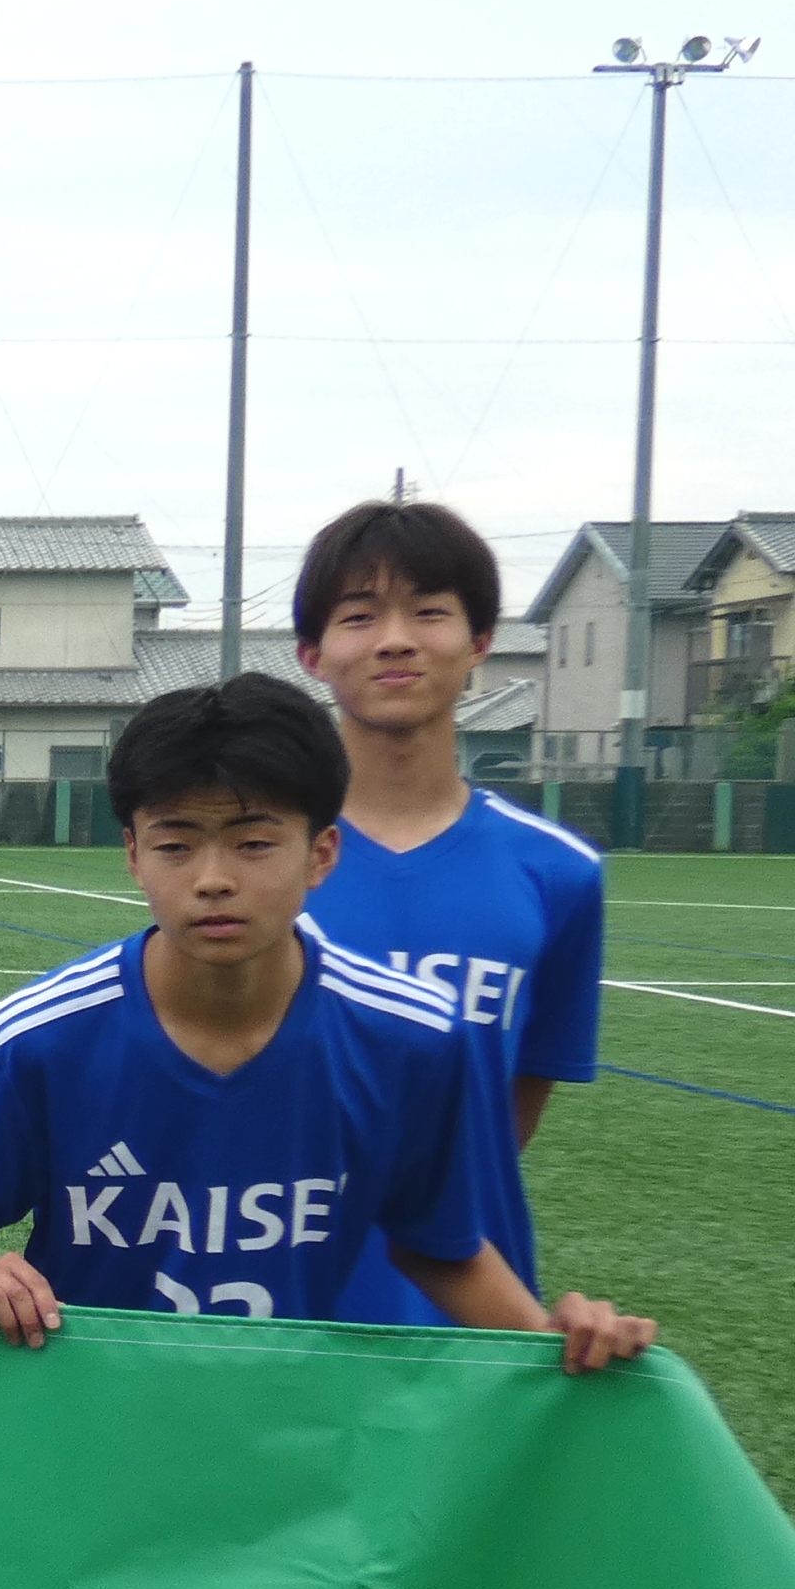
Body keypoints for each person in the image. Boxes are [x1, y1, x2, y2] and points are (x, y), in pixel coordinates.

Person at [0, 674, 653, 1369]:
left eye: (254, 843)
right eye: (175, 844)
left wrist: (554, 1342)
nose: (213, 879)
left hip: (303, 1430)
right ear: (133, 855)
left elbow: (440, 1247)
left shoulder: (414, 1039)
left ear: (322, 853)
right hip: (98, 1424)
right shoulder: (37, 1039)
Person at [289, 498, 606, 1326]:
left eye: (429, 611)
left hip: (468, 1311)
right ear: (313, 654)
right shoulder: (263, 865)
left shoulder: (560, 874)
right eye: (360, 616)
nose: (396, 639)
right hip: (287, 1300)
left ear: (480, 642)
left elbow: (511, 1114)